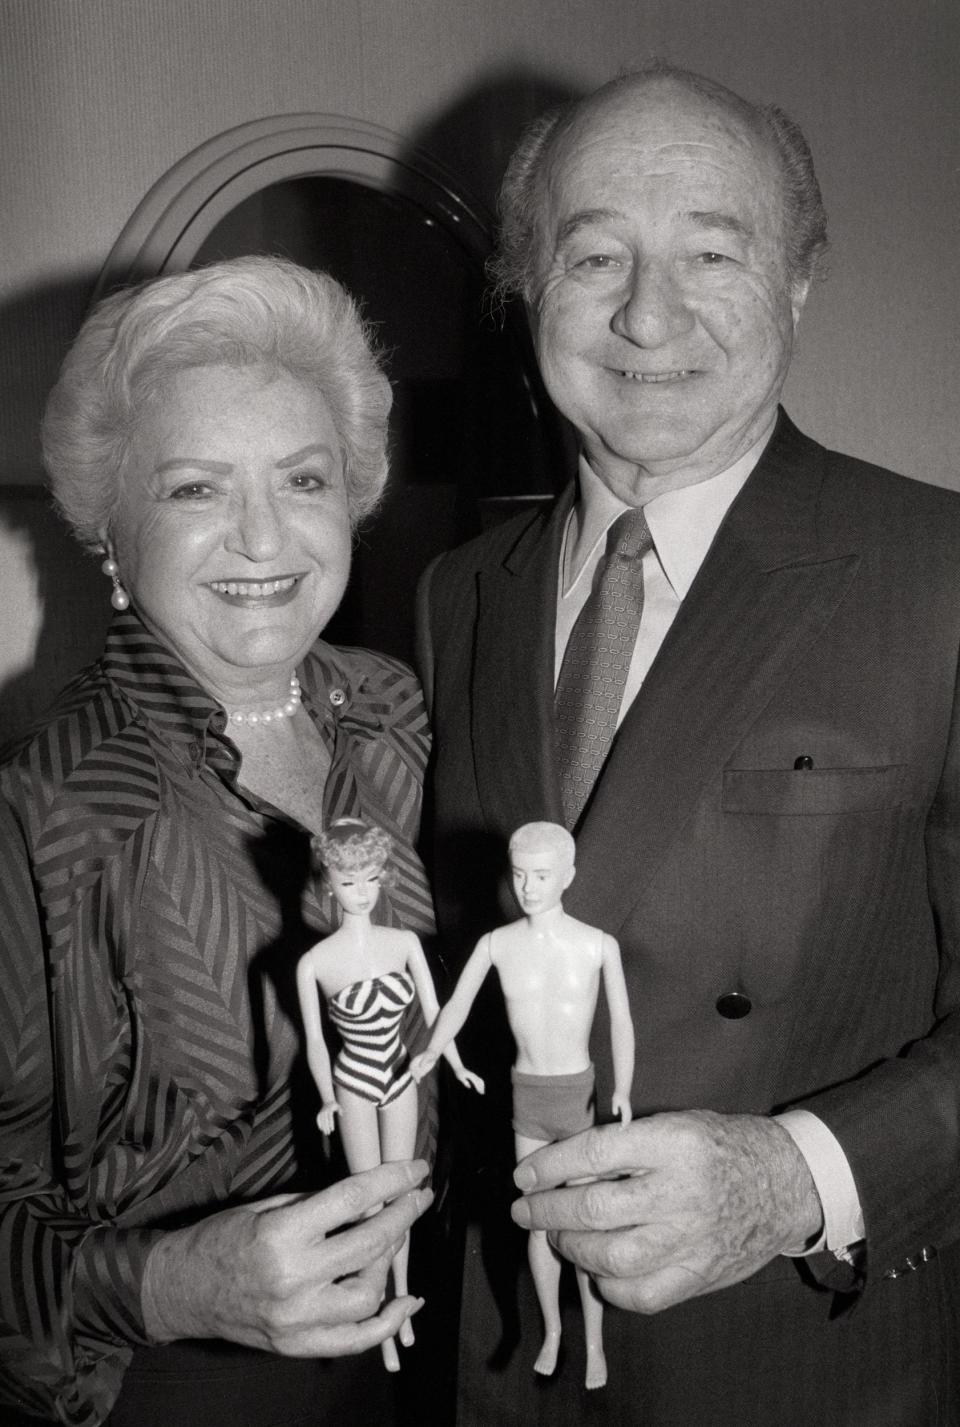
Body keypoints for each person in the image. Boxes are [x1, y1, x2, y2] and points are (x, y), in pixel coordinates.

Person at [416, 61, 960, 1425]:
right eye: (595, 252)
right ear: (527, 288)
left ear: (797, 284)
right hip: (504, 1359)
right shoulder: (456, 588)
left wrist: (797, 1177)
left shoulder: (941, 569)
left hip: (803, 1363)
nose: (647, 312)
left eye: (712, 252)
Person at [0, 256, 439, 1427]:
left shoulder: (398, 713)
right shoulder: (46, 810)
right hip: (196, 1389)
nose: (263, 535)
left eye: (304, 477)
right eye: (197, 488)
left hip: (440, 1362)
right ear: (109, 529)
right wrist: (176, 1282)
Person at [411, 820, 633, 1391]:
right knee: (538, 1222)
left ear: (567, 877)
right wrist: (433, 1051)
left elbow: (623, 1024)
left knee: (581, 1223)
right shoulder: (497, 944)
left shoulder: (596, 944)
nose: (529, 888)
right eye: (519, 875)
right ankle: (553, 1331)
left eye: (541, 876)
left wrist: (623, 1089)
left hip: (577, 1094)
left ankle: (595, 1343)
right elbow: (455, 1007)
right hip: (526, 1095)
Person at [297, 816, 482, 1373]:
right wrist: (327, 1098)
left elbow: (434, 1015)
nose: (361, 891)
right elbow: (314, 1042)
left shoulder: (404, 942)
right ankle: (376, 1313)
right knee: (368, 1201)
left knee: (401, 1195)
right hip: (353, 1083)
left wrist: (455, 1061)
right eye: (349, 881)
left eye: (371, 878)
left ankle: (399, 1303)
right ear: (329, 882)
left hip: (401, 1077)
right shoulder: (315, 962)